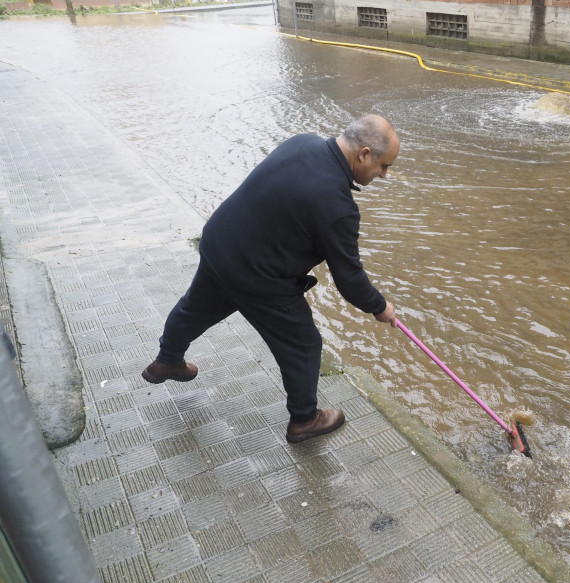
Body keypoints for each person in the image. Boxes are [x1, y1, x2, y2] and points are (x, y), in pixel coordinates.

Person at [142, 115, 399, 444]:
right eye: (384, 166)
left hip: (221, 243)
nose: (384, 175)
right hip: (258, 276)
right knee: (304, 344)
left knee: (195, 308)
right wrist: (380, 307)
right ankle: (305, 419)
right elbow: (349, 279)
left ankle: (166, 361)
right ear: (364, 154)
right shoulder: (338, 206)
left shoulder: (303, 141)